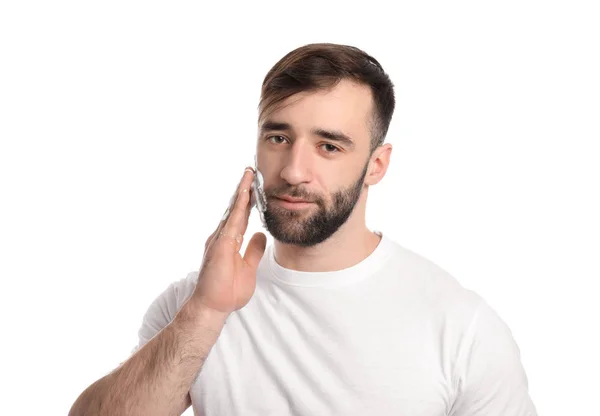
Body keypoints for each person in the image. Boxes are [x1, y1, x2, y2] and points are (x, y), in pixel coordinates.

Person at [69, 43, 537, 416]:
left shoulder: (462, 328)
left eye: (329, 146)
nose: (294, 170)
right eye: (278, 138)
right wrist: (206, 312)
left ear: (376, 165)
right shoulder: (192, 307)